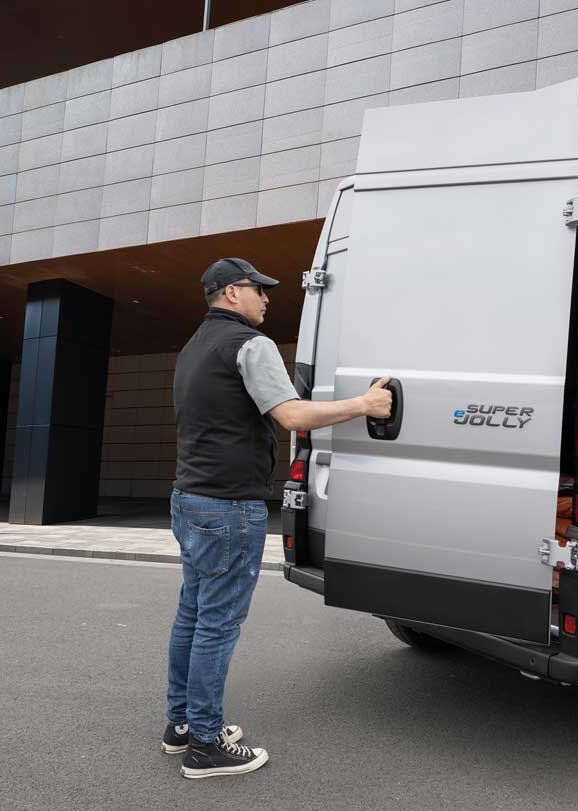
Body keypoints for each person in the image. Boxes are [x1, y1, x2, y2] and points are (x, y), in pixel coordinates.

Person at [162, 257, 393, 779]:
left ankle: (182, 726)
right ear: (231, 293)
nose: (267, 298)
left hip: (189, 498)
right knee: (216, 624)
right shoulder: (250, 344)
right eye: (258, 289)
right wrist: (364, 404)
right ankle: (205, 746)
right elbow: (291, 414)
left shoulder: (193, 347)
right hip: (229, 506)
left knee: (193, 617)